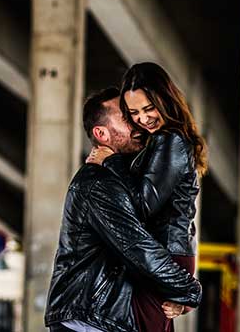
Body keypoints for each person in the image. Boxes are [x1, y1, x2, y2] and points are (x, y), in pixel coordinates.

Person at [45, 87, 202, 332]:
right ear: (101, 134)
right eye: (126, 119)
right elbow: (138, 247)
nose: (138, 124)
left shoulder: (125, 178)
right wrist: (190, 289)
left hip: (103, 316)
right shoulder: (98, 182)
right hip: (90, 318)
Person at [89, 63, 207, 332]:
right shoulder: (160, 141)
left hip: (163, 257)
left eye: (148, 108)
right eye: (134, 112)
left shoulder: (171, 141)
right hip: (164, 256)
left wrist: (112, 162)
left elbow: (142, 206)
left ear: (164, 99)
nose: (143, 118)